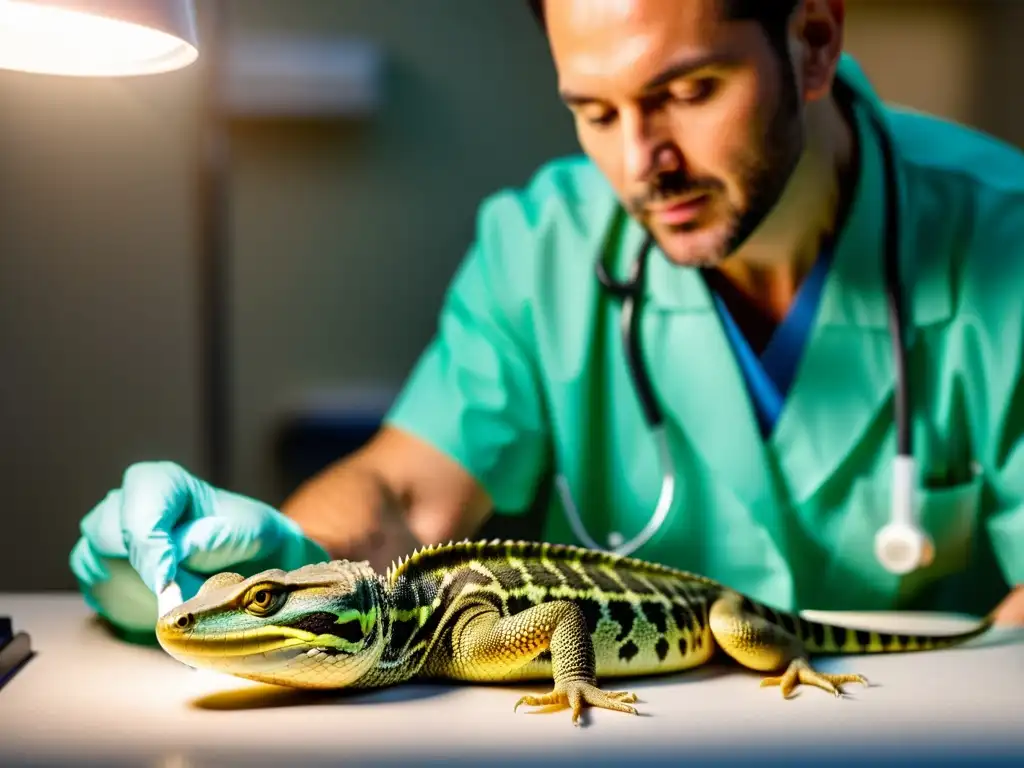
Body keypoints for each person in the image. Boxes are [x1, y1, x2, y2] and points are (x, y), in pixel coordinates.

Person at [71, 0, 1024, 639]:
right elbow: (404, 498)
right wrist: (272, 563)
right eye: (595, 110)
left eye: (688, 93)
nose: (642, 162)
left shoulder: (1006, 236)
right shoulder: (543, 243)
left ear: (813, 41)